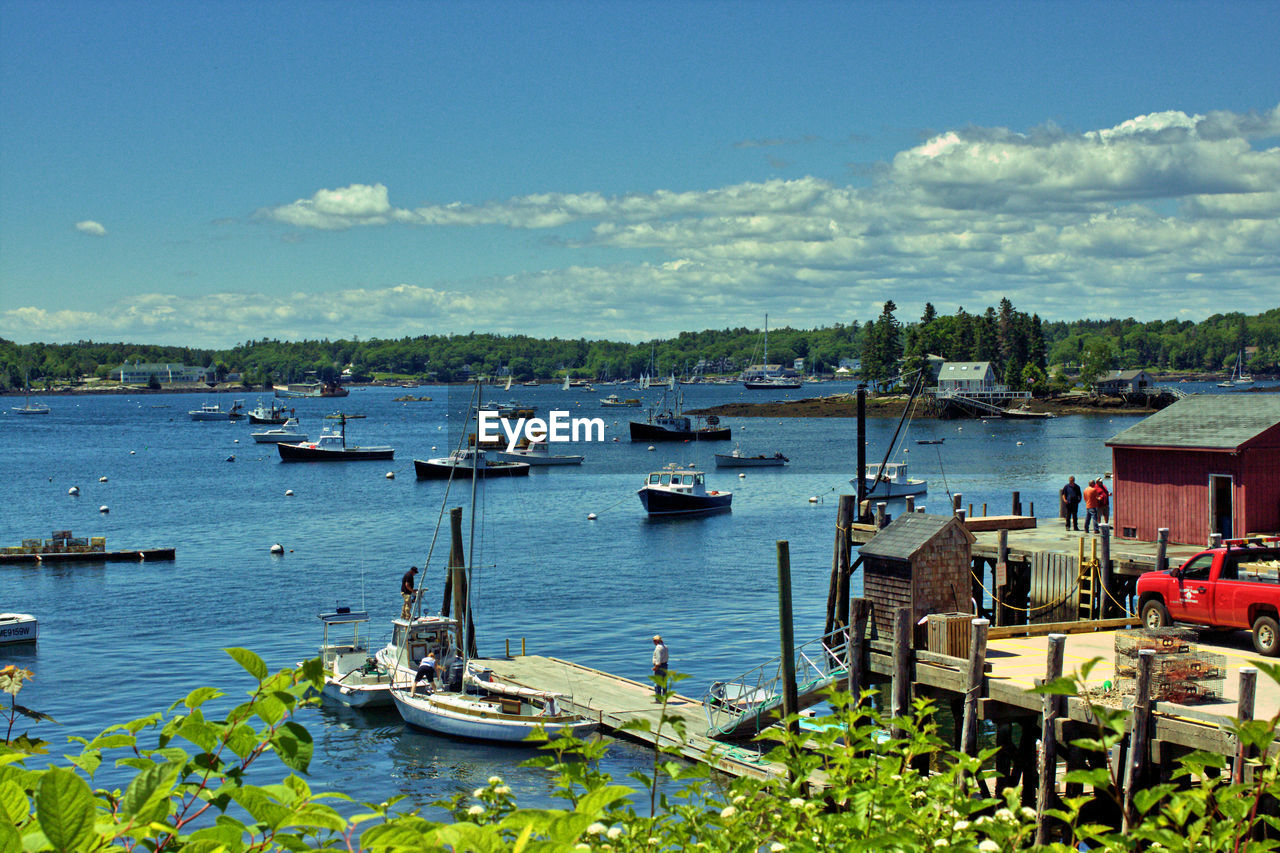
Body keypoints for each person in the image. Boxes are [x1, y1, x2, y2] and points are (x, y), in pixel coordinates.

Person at [651, 634, 669, 701]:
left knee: (658, 683)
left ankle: (658, 699)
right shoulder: (665, 647)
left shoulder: (658, 648)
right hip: (665, 666)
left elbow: (658, 659)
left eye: (654, 641)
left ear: (656, 641)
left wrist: (656, 667)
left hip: (659, 666)